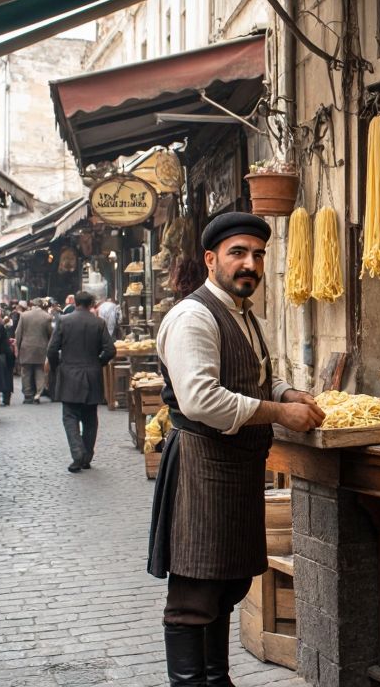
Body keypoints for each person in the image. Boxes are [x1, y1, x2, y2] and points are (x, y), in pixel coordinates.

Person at [148, 212, 323, 686]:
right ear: (211, 259)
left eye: (258, 254)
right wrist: (278, 413)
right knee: (194, 594)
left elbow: (259, 374)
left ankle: (216, 680)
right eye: (238, 253)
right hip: (202, 467)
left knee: (226, 586)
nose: (250, 264)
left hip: (237, 468)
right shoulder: (193, 316)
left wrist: (286, 393)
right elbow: (201, 398)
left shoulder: (247, 315)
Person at [46, 291, 116, 473]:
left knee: (70, 416)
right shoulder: (98, 323)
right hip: (92, 375)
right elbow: (110, 350)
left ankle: (78, 453)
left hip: (69, 374)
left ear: (75, 302)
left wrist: (57, 368)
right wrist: (97, 363)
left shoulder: (63, 321)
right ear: (92, 303)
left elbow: (52, 350)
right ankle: (86, 456)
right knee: (90, 417)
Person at [15, 298, 54, 403]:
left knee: (26, 372)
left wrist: (17, 347)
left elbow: (18, 333)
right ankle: (37, 394)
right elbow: (51, 334)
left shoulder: (24, 315)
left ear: (32, 304)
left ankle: (28, 395)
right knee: (39, 371)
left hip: (26, 347)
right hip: (41, 348)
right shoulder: (47, 317)